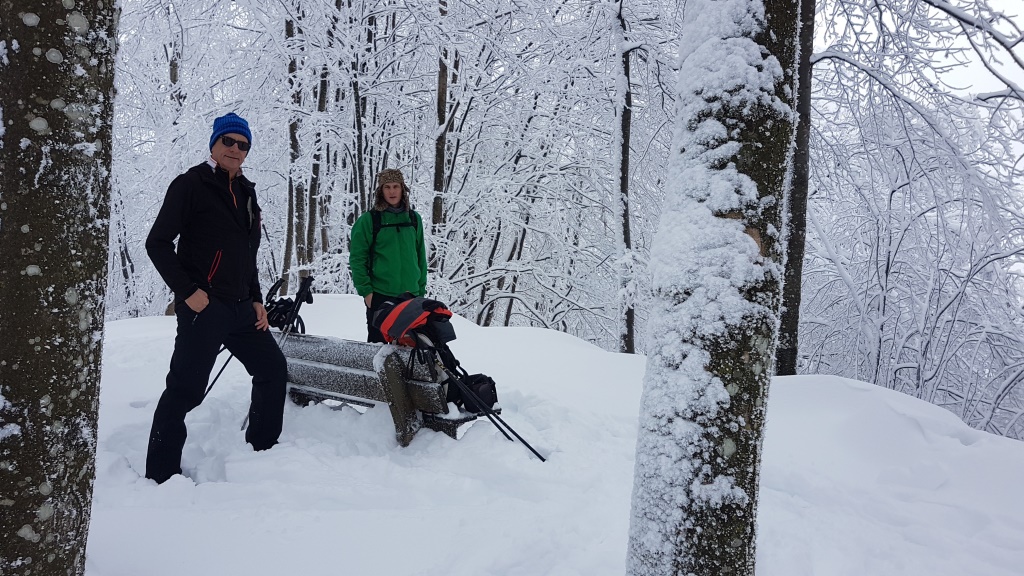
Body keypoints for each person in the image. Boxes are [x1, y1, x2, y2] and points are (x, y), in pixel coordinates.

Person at [144, 112, 287, 484]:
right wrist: (188, 292)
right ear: (214, 143)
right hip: (204, 308)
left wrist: (256, 299)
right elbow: (157, 243)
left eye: (243, 145)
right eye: (229, 141)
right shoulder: (190, 185)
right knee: (185, 390)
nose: (236, 149)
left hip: (242, 308)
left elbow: (247, 254)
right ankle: (160, 475)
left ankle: (263, 448)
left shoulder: (247, 193)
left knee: (272, 369)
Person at [349, 168, 428, 342]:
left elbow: (420, 256)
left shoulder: (414, 219)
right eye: (387, 187)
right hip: (381, 296)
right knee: (380, 351)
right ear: (381, 191)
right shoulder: (369, 220)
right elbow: (357, 258)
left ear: (402, 189)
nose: (392, 191)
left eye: (395, 186)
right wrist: (366, 292)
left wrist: (420, 290)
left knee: (411, 349)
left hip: (411, 296)